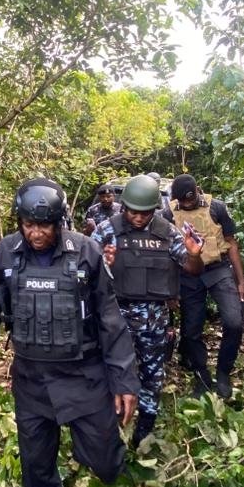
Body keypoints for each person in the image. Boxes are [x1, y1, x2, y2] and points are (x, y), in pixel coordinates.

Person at [0, 178, 138, 487]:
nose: (36, 233)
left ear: (59, 222)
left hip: (83, 376)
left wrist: (124, 381)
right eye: (28, 224)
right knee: (37, 466)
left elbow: (110, 319)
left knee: (105, 460)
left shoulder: (87, 252)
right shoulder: (7, 251)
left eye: (44, 225)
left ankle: (99, 463)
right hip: (31, 381)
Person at [92, 174, 203, 448]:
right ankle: (112, 425)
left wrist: (194, 254)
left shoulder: (168, 232)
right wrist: (102, 263)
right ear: (124, 206)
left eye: (145, 213)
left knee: (152, 375)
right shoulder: (106, 230)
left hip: (153, 320)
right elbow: (84, 273)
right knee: (111, 371)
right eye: (133, 211)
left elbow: (192, 269)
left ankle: (145, 426)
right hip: (115, 318)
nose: (139, 218)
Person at [165, 174, 244, 399]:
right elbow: (167, 255)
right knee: (191, 329)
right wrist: (171, 290)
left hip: (218, 269)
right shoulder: (168, 214)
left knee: (233, 322)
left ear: (198, 191)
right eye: (183, 202)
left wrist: (240, 281)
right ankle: (201, 376)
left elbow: (231, 244)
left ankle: (223, 372)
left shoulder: (216, 208)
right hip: (188, 274)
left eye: (191, 200)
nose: (188, 205)